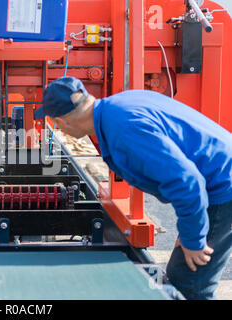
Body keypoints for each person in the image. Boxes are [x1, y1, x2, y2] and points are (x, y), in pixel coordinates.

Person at [35, 76, 232, 300]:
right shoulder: (117, 108)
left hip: (222, 188)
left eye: (56, 124)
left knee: (190, 284)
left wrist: (194, 240)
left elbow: (188, 183)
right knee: (184, 277)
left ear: (64, 121)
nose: (58, 129)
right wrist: (191, 229)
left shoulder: (125, 131)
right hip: (218, 178)